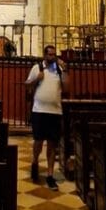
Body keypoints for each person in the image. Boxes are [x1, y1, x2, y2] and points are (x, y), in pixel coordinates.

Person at [25, 44, 68, 189]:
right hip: (39, 111)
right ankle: (35, 161)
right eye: (49, 54)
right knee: (38, 141)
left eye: (53, 55)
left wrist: (65, 69)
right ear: (44, 55)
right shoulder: (37, 68)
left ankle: (50, 175)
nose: (52, 57)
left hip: (55, 112)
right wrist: (37, 79)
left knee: (52, 144)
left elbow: (67, 87)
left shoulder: (59, 69)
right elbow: (27, 85)